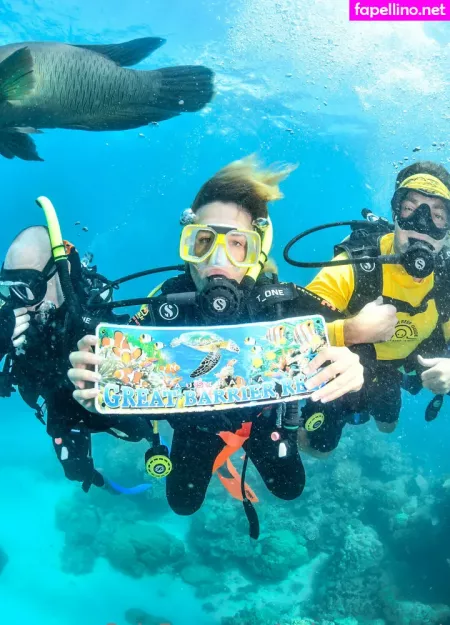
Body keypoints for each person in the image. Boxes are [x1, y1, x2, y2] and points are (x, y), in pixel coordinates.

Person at [68, 156, 364, 535]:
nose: (217, 259)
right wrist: (97, 382)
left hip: (261, 419)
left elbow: (342, 337)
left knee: (290, 488)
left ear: (257, 251)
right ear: (188, 245)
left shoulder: (279, 302)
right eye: (204, 241)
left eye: (237, 244)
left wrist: (352, 363)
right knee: (182, 504)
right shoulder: (166, 302)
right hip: (195, 426)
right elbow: (121, 373)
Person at [298, 161, 450, 456]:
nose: (422, 225)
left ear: (448, 230)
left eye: (438, 215)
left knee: (387, 427)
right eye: (411, 208)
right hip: (341, 367)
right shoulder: (358, 264)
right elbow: (287, 334)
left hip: (391, 372)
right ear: (395, 213)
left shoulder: (447, 280)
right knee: (318, 450)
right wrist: (350, 331)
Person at [0, 224, 157, 492]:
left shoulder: (93, 309)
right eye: (8, 288)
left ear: (59, 276)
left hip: (95, 400)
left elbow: (142, 378)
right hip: (55, 399)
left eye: (27, 288)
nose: (19, 301)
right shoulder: (8, 314)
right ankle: (109, 486)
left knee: (138, 431)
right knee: (76, 471)